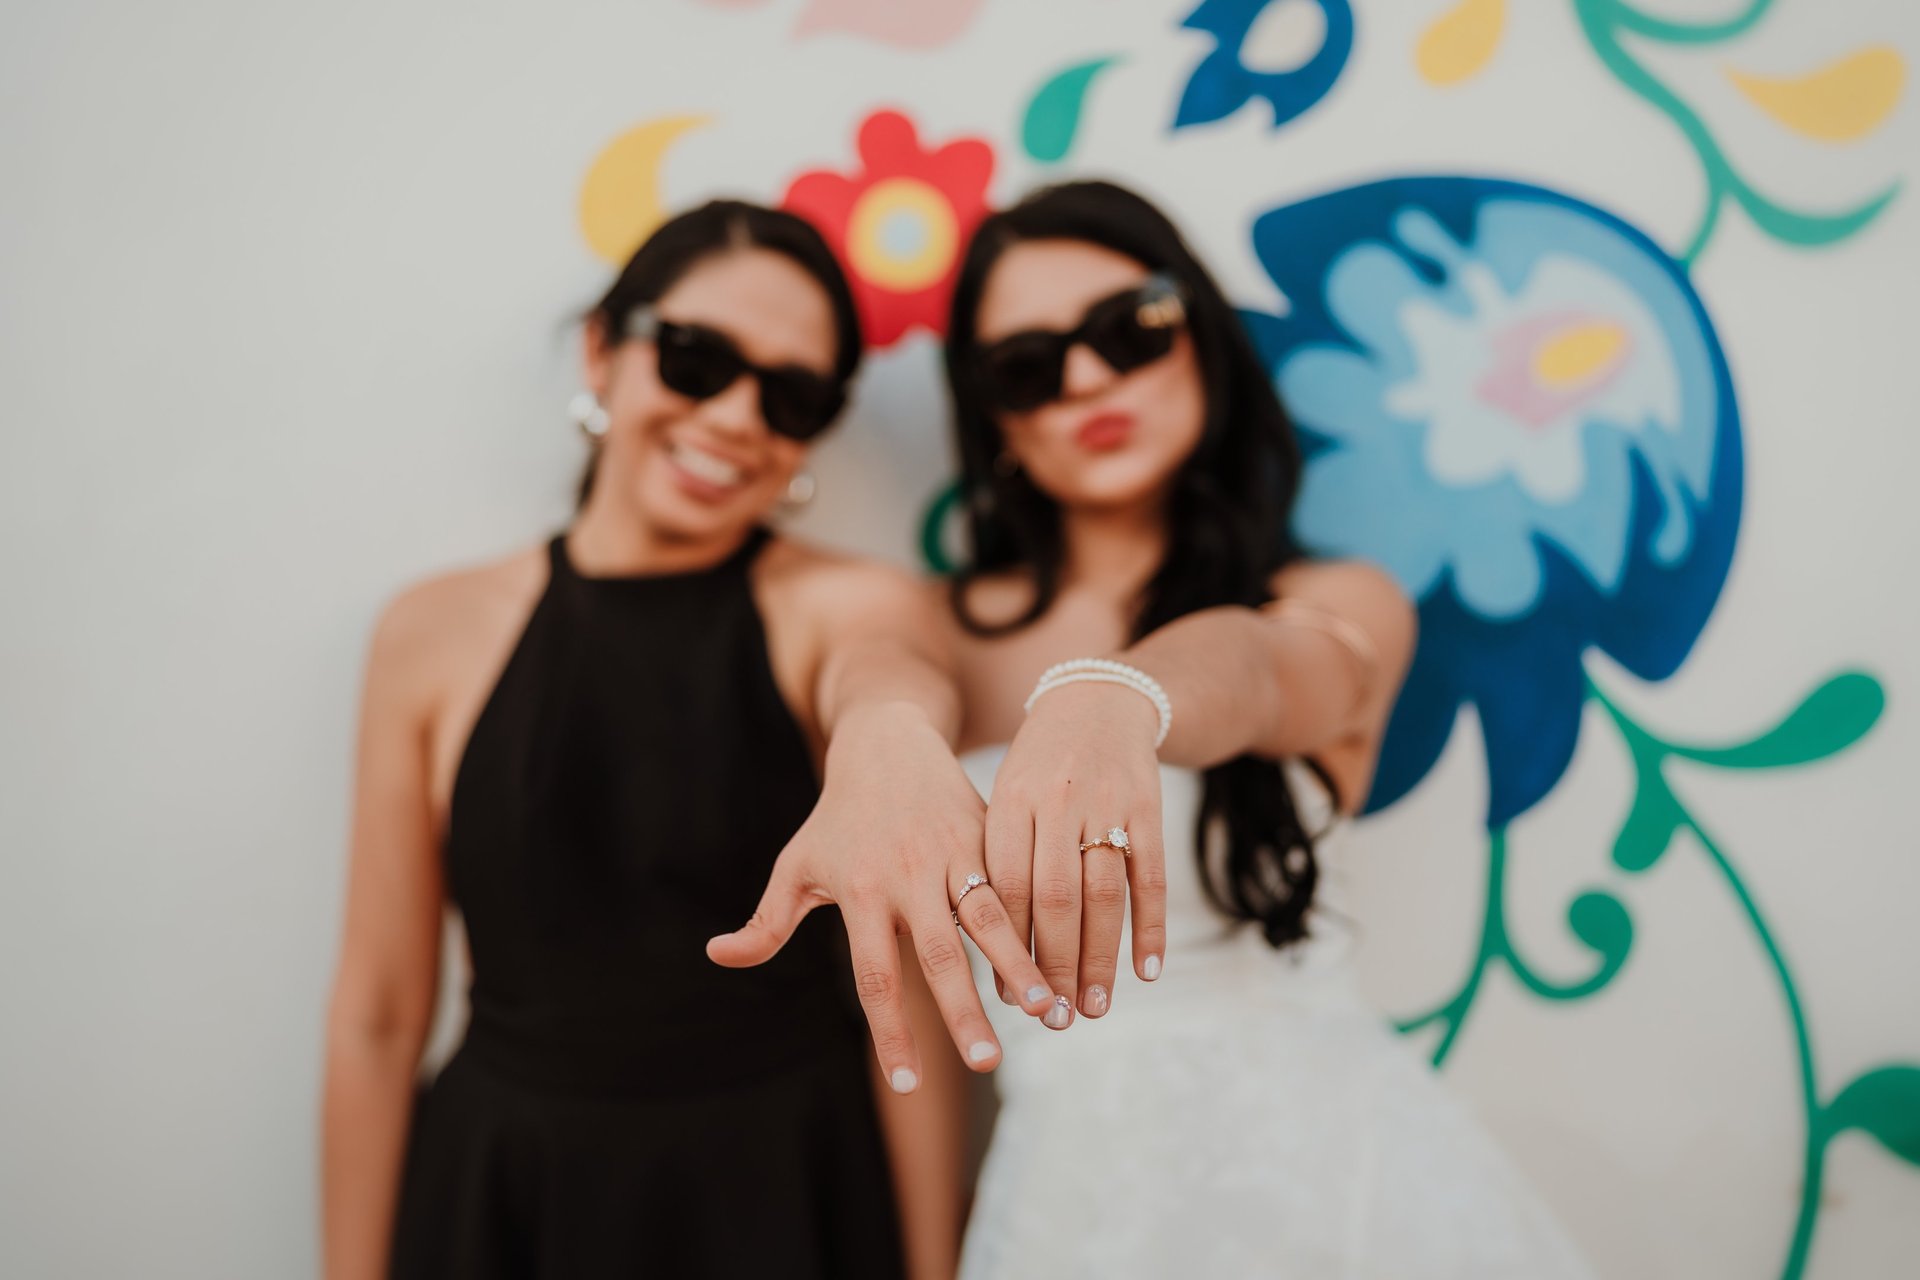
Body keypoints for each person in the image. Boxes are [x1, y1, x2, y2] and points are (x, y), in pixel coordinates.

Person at [720, 181, 1593, 1277]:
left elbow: (1268, 670)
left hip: (1352, 1197)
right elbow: (925, 1023)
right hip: (1068, 1211)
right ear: (997, 420)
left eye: (1127, 329)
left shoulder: (1340, 596)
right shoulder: (932, 630)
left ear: (1203, 343)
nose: (1087, 378)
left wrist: (1118, 695)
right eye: (1029, 366)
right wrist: (878, 728)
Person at [319, 199, 1052, 1280]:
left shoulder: (842, 603)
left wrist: (892, 728)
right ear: (604, 351)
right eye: (698, 357)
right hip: (508, 1191)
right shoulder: (429, 632)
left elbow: (887, 680)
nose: (736, 416)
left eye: (792, 393)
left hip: (783, 1186)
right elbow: (380, 1014)